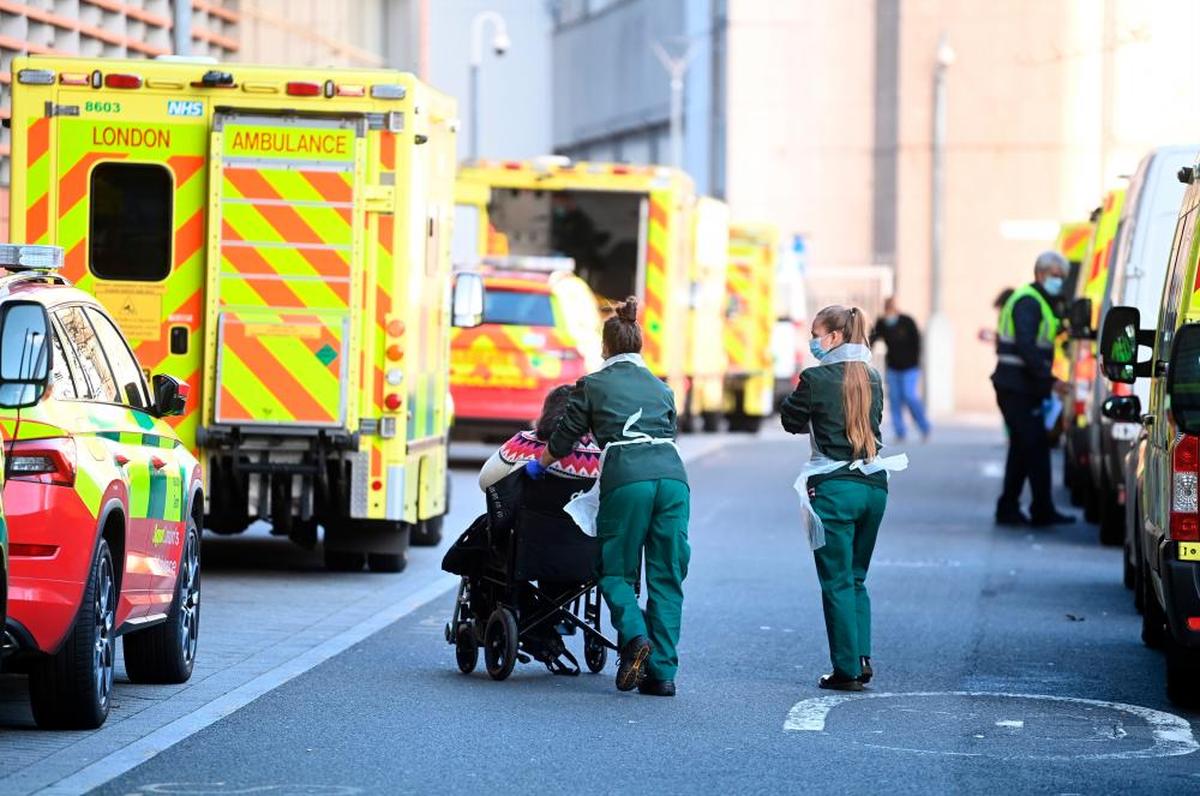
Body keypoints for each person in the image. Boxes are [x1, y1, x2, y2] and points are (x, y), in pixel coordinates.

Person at [529, 297, 689, 697]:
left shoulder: (593, 385)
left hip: (628, 477)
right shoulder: (662, 388)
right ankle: (662, 675)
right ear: (638, 345)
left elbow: (563, 437)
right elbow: (670, 433)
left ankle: (635, 638)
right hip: (673, 479)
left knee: (614, 570)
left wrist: (540, 464)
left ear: (605, 347)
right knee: (667, 575)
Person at [781, 305, 906, 692]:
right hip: (873, 486)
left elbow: (790, 420)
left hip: (833, 488)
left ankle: (845, 670)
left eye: (817, 335)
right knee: (855, 578)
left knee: (834, 581)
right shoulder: (872, 377)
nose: (813, 342)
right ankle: (861, 657)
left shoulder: (816, 379)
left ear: (834, 337)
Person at [992, 251, 1075, 527]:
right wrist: (1050, 381)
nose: (1059, 281)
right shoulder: (1029, 301)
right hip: (1017, 386)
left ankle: (1009, 506)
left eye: (1062, 277)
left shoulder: (1039, 301)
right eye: (1056, 275)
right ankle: (1041, 509)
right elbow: (1027, 346)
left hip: (1020, 385)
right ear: (1041, 274)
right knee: (1036, 446)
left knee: (1022, 447)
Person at [478, 385, 601, 490]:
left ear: (547, 410)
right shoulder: (599, 455)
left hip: (526, 517)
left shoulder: (522, 443)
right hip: (575, 518)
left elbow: (486, 483)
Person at [870, 297, 931, 442]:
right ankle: (900, 432)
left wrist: (915, 362)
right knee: (895, 400)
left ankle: (924, 427)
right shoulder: (882, 323)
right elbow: (872, 339)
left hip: (910, 367)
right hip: (893, 367)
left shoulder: (907, 321)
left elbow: (917, 342)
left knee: (910, 396)